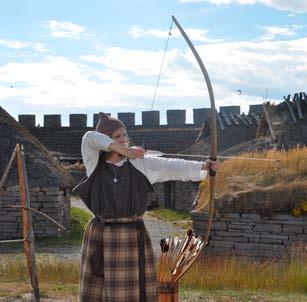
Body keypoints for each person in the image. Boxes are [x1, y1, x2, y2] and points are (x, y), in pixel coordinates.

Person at [73, 112, 218, 302]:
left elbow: (172, 166)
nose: (123, 139)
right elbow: (89, 138)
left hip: (133, 234)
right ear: (108, 140)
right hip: (102, 234)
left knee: (133, 292)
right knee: (100, 290)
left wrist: (204, 167)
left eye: (125, 135)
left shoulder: (140, 163)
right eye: (117, 136)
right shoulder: (94, 163)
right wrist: (126, 151)